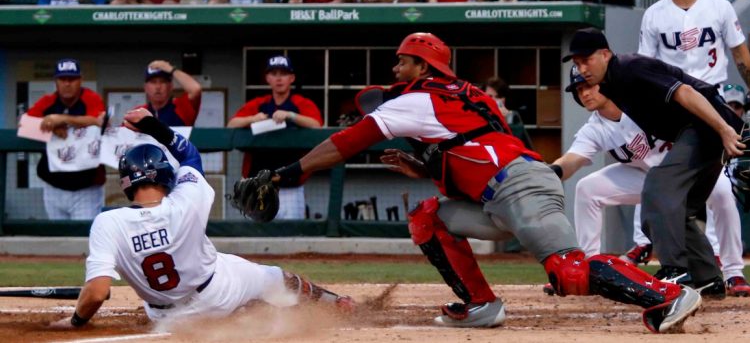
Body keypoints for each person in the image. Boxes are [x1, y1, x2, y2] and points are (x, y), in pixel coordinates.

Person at [258, 32, 701, 331]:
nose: (396, 70)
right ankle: (481, 305)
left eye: (402, 62)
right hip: (499, 196)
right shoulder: (462, 95)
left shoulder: (421, 97)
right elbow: (473, 149)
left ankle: (665, 295)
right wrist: (428, 168)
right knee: (430, 218)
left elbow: (346, 142)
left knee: (569, 271)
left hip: (520, 187)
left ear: (422, 65)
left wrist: (286, 174)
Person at [50, 109, 353, 329]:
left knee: (216, 268)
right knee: (274, 277)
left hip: (166, 318)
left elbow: (97, 293)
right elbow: (190, 156)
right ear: (165, 176)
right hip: (217, 291)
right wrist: (154, 126)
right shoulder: (187, 200)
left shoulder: (107, 222)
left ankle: (243, 313)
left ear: (126, 184)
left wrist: (77, 321)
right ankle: (336, 303)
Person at [565, 27, 746, 299]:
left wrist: (724, 128)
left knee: (657, 191)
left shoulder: (628, 68)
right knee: (681, 210)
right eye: (577, 63)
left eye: (586, 60)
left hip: (704, 126)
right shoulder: (612, 86)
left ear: (605, 54)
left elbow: (686, 92)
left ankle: (675, 270)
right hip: (698, 132)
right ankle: (708, 279)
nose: (582, 68)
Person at [638, 0, 750, 297]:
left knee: (664, 191)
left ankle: (679, 269)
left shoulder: (718, 6)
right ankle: (708, 276)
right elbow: (647, 68)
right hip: (673, 102)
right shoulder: (654, 14)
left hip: (711, 100)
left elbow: (740, 52)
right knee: (690, 202)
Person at [227, 56, 323, 220]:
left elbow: (316, 125)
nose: (279, 78)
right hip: (257, 186)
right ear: (267, 78)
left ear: (291, 78)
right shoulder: (259, 104)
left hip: (290, 187)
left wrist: (291, 115)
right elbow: (231, 125)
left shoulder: (300, 103)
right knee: (255, 236)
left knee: (292, 236)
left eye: (284, 73)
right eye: (274, 73)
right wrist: (253, 119)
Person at [25, 58, 106, 220]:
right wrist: (52, 127)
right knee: (58, 239)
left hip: (86, 187)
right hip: (54, 185)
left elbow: (99, 121)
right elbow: (25, 123)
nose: (67, 83)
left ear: (81, 80)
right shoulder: (48, 101)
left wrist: (62, 119)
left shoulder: (91, 98)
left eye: (72, 79)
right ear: (56, 81)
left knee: (84, 237)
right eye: (63, 79)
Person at [137, 60, 202, 126]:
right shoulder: (139, 112)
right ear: (145, 87)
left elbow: (196, 89)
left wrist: (171, 69)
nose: (158, 87)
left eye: (163, 82)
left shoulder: (181, 107)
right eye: (153, 82)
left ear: (171, 86)